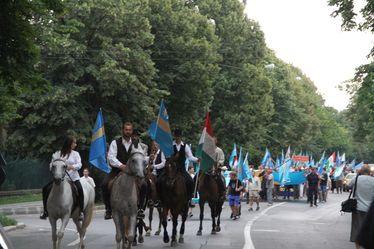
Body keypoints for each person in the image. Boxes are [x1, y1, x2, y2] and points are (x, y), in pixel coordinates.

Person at [102, 122, 147, 220]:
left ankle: (140, 209)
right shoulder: (115, 142)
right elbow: (111, 157)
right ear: (123, 130)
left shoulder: (136, 143)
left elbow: (140, 156)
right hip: (117, 171)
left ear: (132, 131)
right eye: (126, 130)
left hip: (132, 173)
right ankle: (108, 209)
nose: (128, 132)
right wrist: (121, 165)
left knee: (144, 185)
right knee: (104, 184)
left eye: (130, 130)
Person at [40, 136, 83, 220]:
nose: (75, 144)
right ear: (69, 143)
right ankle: (45, 211)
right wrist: (53, 167)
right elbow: (51, 164)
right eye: (74, 142)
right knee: (45, 189)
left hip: (73, 178)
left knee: (80, 189)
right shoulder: (58, 154)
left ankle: (80, 211)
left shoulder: (76, 154)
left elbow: (79, 164)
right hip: (60, 177)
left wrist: (72, 166)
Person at [349, 165, 374, 249]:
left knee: (357, 228)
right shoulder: (373, 180)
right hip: (370, 209)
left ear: (361, 171)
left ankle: (358, 248)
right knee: (369, 228)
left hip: (358, 207)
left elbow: (348, 186)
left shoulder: (356, 179)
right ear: (369, 172)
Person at [172, 129, 198, 206]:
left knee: (190, 181)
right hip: (172, 170)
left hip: (182, 169)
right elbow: (167, 157)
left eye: (179, 136)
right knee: (161, 180)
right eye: (176, 136)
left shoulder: (185, 146)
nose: (178, 137)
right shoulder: (171, 145)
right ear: (175, 136)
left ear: (181, 136)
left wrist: (197, 159)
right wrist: (174, 158)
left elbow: (190, 157)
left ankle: (190, 198)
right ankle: (160, 199)